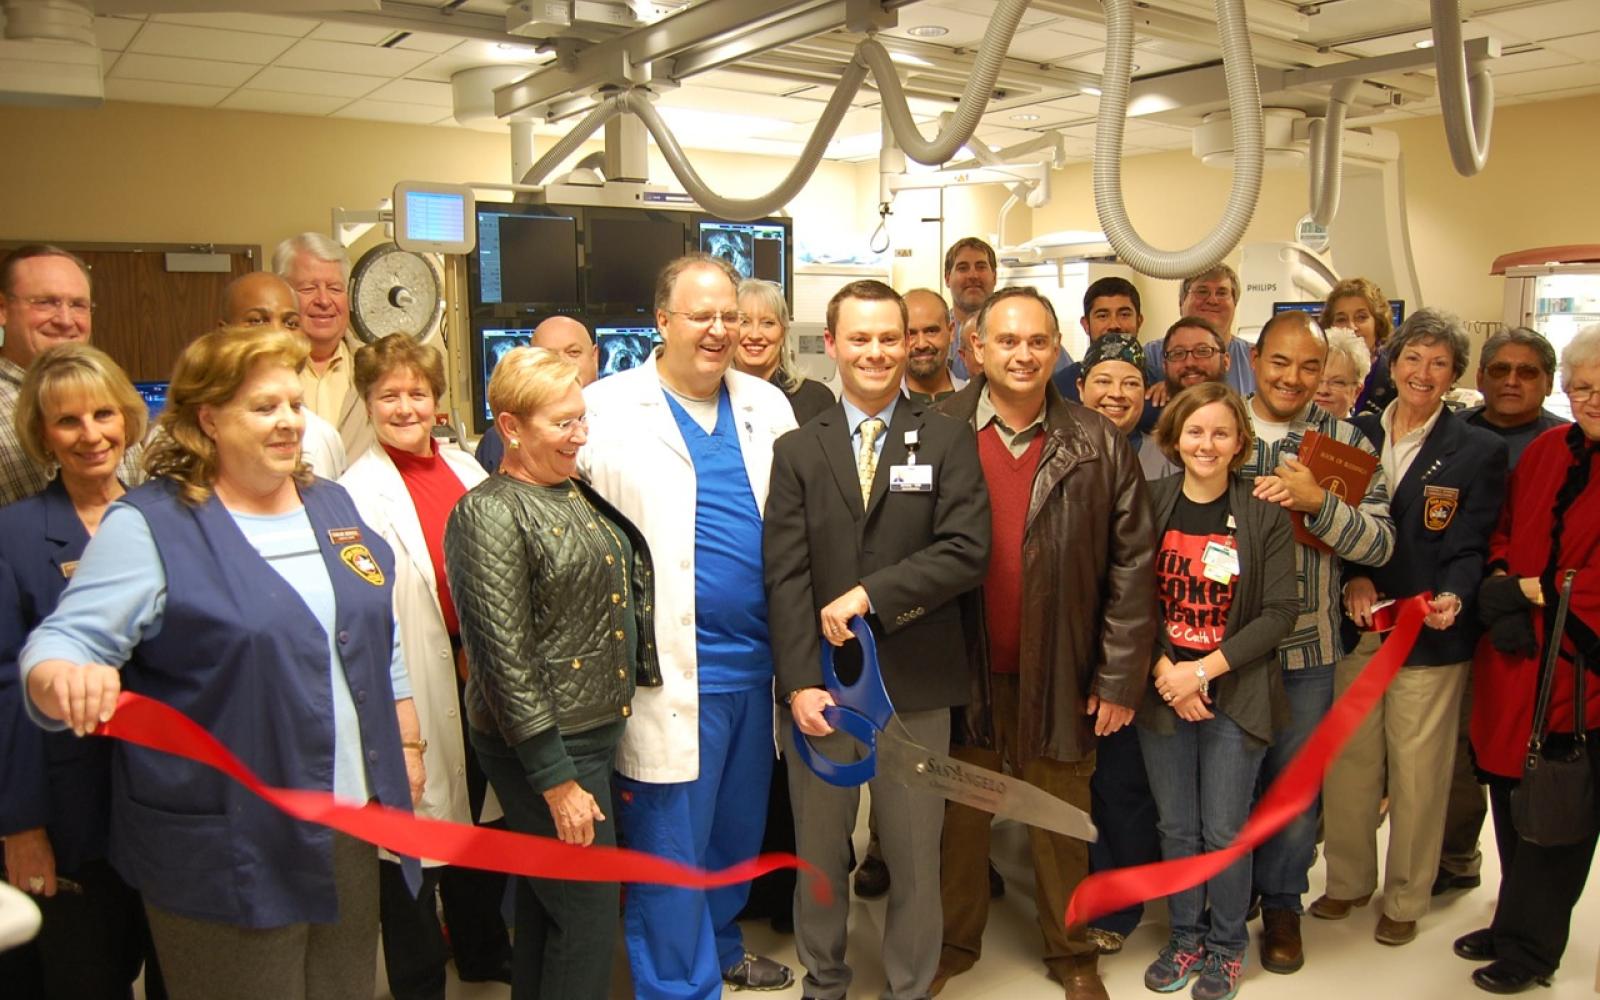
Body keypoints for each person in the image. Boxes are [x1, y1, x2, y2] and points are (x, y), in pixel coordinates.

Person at [19, 325, 422, 1000]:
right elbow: (58, 644)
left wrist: (406, 738)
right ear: (208, 418)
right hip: (228, 843)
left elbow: (377, 634)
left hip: (349, 825)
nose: (290, 422)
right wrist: (70, 675)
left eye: (295, 404)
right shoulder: (152, 523)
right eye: (265, 407)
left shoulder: (331, 503)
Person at [579, 253, 797, 998]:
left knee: (733, 838)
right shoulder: (604, 408)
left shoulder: (767, 407)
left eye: (729, 316)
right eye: (700, 315)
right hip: (662, 677)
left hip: (753, 672)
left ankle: (724, 945)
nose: (718, 330)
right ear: (661, 321)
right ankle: (680, 987)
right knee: (670, 851)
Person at [765, 278, 989, 1000]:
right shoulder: (798, 449)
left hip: (916, 684)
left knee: (917, 858)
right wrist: (799, 682)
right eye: (858, 338)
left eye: (889, 337)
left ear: (912, 342)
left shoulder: (948, 436)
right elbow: (787, 577)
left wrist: (873, 595)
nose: (876, 352)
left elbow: (966, 550)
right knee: (821, 853)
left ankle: (908, 986)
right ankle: (823, 981)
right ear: (830, 344)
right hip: (822, 690)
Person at [933, 286, 1153, 999]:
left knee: (1060, 819)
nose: (1022, 354)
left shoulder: (1097, 440)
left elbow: (1132, 567)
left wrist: (1119, 678)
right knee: (957, 818)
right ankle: (952, 942)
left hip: (1061, 669)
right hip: (958, 667)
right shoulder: (934, 428)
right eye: (1006, 341)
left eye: (1036, 342)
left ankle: (1072, 954)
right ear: (977, 349)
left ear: (1057, 350)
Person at [445, 345, 657, 1000]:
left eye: (580, 417)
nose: (580, 434)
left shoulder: (569, 491)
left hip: (586, 734)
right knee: (589, 916)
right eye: (562, 422)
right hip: (545, 746)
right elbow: (502, 661)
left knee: (547, 908)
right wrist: (557, 781)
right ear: (511, 427)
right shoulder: (488, 513)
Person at [1317, 308, 1509, 947]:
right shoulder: (1355, 432)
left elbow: (1470, 542)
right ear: (1390, 364)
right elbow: (1333, 523)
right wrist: (1352, 577)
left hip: (1430, 632)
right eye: (1412, 359)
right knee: (1348, 763)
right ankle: (1345, 882)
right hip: (1359, 622)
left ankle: (1406, 895)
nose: (1423, 373)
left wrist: (1455, 594)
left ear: (1454, 375)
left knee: (1420, 770)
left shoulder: (1477, 448)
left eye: (1439, 363)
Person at [337, 334, 512, 998]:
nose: (405, 407)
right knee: (410, 841)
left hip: (478, 679)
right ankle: (415, 976)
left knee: (480, 818)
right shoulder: (353, 493)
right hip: (411, 679)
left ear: (438, 401)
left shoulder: (467, 471)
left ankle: (481, 947)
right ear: (368, 401)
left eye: (417, 393)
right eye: (389, 395)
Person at [0, 344, 162, 999]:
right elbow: (6, 688)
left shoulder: (171, 517)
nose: (91, 434)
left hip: (169, 808)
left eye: (103, 414)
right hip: (71, 815)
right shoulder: (13, 534)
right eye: (68, 421)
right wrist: (22, 826)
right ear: (42, 435)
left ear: (127, 418)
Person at [1238, 311, 1395, 974]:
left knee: (1294, 792)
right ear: (1254, 360)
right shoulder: (1220, 425)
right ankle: (1221, 904)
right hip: (1225, 651)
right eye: (1281, 363)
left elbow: (1382, 544)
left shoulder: (1347, 445)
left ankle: (1281, 906)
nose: (1294, 379)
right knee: (1225, 787)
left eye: (1309, 367)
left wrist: (1318, 504)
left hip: (1307, 651)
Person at [1139, 381, 1298, 1000]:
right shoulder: (1148, 503)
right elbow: (1126, 598)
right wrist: (1164, 672)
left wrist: (1200, 671)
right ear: (1175, 438)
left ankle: (1228, 945)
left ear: (1240, 443)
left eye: (1221, 432)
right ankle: (1186, 935)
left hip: (1237, 692)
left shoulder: (1263, 514)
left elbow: (1281, 612)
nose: (1207, 443)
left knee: (1225, 830)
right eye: (1195, 431)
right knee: (1177, 828)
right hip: (1162, 688)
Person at [1458, 323, 1600, 994]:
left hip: (1581, 667)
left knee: (1560, 807)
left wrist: (1531, 595)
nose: (1591, 397)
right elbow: (1509, 529)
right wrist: (1504, 584)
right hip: (1517, 655)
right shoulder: (1546, 449)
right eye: (1583, 386)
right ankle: (1513, 916)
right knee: (1510, 790)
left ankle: (1532, 949)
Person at [1435, 326, 1570, 903]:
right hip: (1456, 618)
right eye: (1501, 370)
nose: (1512, 381)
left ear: (1548, 380)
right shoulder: (1453, 437)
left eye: (1528, 372)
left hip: (1539, 627)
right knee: (1463, 752)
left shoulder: (1566, 445)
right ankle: (1456, 856)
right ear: (1481, 377)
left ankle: (1529, 888)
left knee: (1528, 756)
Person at [1068, 332, 1166, 955]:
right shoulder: (1062, 445)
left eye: (1130, 382)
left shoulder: (1166, 457)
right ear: (1079, 387)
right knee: (1073, 778)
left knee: (1123, 781)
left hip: (1138, 646)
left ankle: (1121, 903)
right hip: (1068, 641)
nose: (1116, 393)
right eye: (1104, 380)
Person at [0, 245, 143, 507]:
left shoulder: (112, 395)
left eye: (78, 305)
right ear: (2, 309)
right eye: (45, 303)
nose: (65, 320)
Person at [218, 270, 347, 478]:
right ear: (224, 332)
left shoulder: (323, 437)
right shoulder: (181, 436)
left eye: (291, 323)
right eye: (258, 320)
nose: (278, 333)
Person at [274, 232, 374, 461]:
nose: (324, 300)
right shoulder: (259, 371)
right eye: (308, 289)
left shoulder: (377, 366)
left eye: (335, 289)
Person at [474, 316, 599, 474]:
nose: (561, 364)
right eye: (548, 356)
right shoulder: (497, 441)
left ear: (595, 357)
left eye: (573, 352)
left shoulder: (624, 425)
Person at [1144, 265, 1256, 401]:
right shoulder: (1149, 356)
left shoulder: (1255, 358)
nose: (1212, 300)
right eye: (1202, 292)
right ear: (1181, 302)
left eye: (1221, 293)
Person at [1142, 316, 1234, 479]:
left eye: (1203, 351)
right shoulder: (1146, 431)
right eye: (1178, 354)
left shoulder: (1244, 423)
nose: (1190, 362)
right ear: (1165, 366)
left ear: (1225, 361)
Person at [735, 278, 834, 423]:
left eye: (768, 323)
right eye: (744, 322)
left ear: (783, 332)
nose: (754, 335)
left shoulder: (816, 399)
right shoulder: (710, 397)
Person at [1054, 276, 1145, 402]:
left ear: (1139, 321)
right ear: (1086, 324)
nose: (1114, 325)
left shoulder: (1160, 382)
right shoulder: (1060, 387)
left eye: (1124, 315)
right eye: (1103, 316)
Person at [1321, 277, 1397, 417]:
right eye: (1341, 319)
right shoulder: (1315, 370)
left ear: (1378, 323)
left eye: (1361, 317)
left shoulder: (1395, 379)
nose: (1351, 327)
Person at [902, 288, 966, 404]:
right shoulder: (882, 404)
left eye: (931, 331)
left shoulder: (975, 399)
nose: (921, 344)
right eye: (910, 334)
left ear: (951, 332)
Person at [1313, 328, 1372, 420]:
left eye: (1337, 382)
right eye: (1317, 380)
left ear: (1356, 392)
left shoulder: (1361, 433)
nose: (1323, 390)